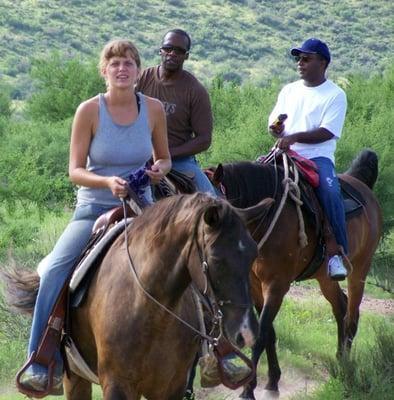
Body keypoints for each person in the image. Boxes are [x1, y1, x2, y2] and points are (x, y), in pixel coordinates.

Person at [20, 39, 171, 392]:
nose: (122, 69)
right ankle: (41, 361)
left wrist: (159, 169)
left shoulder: (153, 109)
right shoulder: (88, 111)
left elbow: (162, 156)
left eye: (129, 63)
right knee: (55, 269)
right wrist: (105, 181)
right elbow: (74, 170)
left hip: (141, 207)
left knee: (188, 258)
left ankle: (210, 349)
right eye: (115, 63)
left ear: (138, 71)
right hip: (94, 207)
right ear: (104, 71)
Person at [268, 38, 348, 280]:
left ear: (323, 62)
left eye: (306, 58)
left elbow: (327, 131)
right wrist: (277, 128)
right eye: (298, 59)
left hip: (317, 157)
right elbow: (274, 125)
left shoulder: (335, 94)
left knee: (331, 192)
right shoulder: (289, 90)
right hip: (284, 153)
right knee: (252, 179)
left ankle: (337, 255)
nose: (300, 63)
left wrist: (294, 138)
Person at [135, 28, 216, 196]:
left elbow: (204, 139)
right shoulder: (142, 79)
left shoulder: (195, 90)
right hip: (137, 155)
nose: (172, 54)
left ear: (186, 56)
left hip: (178, 161)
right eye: (168, 48)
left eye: (179, 51)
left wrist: (166, 155)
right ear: (160, 50)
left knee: (211, 203)